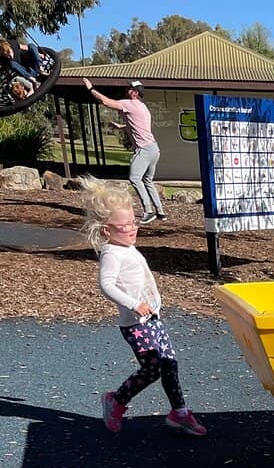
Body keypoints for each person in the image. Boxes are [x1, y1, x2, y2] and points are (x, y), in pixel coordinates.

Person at [79, 176, 207, 436]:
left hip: (152, 318)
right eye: (124, 226)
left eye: (133, 222)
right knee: (153, 369)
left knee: (169, 363)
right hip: (136, 324)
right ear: (107, 230)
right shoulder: (112, 254)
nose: (132, 228)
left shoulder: (127, 247)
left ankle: (179, 412)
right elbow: (107, 286)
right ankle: (116, 401)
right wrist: (134, 303)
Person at [82, 78, 166, 224]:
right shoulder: (142, 107)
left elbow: (106, 102)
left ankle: (148, 211)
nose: (128, 91)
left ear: (135, 93)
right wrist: (120, 127)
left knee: (134, 178)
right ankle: (160, 212)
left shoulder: (129, 104)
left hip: (144, 150)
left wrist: (90, 89)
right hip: (154, 149)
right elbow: (138, 126)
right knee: (147, 180)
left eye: (130, 89)